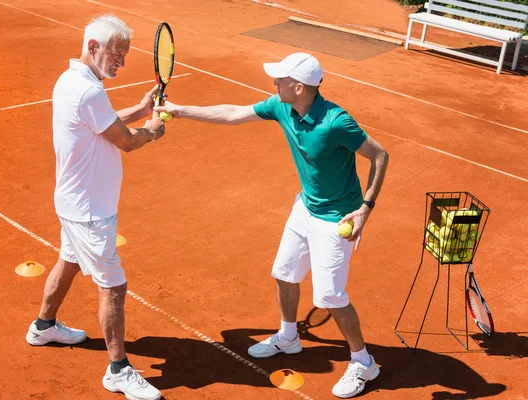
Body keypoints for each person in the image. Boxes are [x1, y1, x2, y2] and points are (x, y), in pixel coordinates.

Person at [155, 52, 389, 399]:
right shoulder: (283, 106)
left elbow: (380, 155)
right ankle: (288, 337)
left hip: (336, 219)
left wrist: (365, 208)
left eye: (279, 79)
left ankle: (363, 362)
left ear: (298, 87)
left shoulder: (336, 121)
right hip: (305, 207)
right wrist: (179, 110)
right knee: (284, 273)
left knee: (329, 296)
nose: (273, 83)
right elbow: (233, 114)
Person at [25, 14, 164, 400]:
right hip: (89, 210)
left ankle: (44, 326)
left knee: (68, 262)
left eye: (124, 55)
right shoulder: (87, 91)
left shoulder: (73, 81)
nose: (120, 61)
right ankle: (118, 370)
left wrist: (139, 109)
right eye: (116, 54)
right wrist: (151, 130)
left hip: (75, 202)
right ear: (92, 47)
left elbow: (103, 125)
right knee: (114, 287)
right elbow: (125, 141)